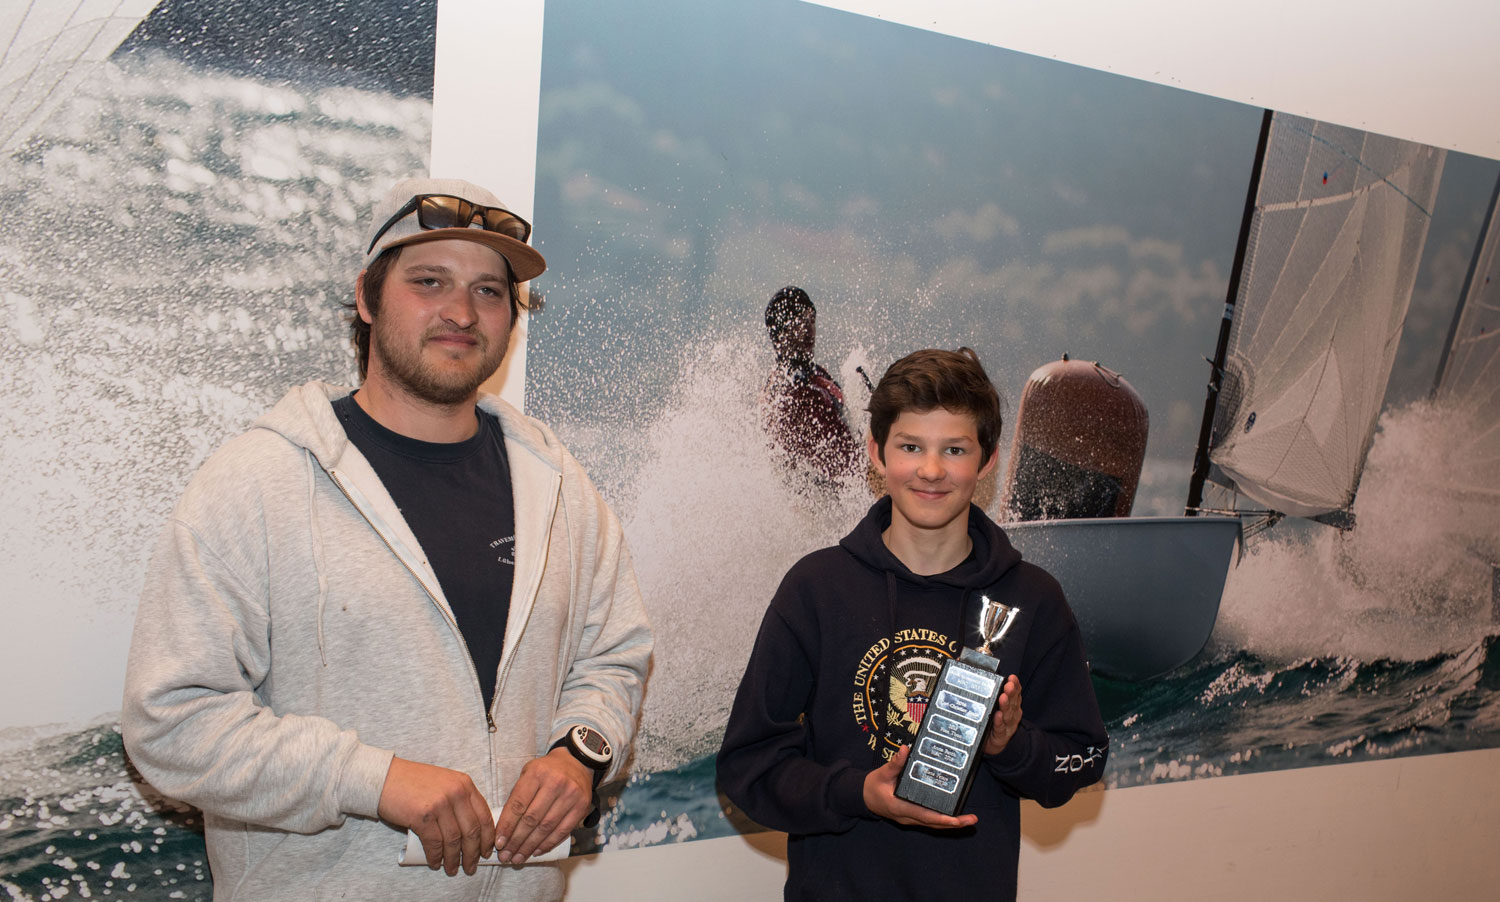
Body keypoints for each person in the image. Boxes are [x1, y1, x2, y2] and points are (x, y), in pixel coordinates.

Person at [122, 177, 653, 901]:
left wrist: (581, 750)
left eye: (489, 291)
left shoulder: (559, 483)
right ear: (367, 298)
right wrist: (375, 781)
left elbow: (613, 652)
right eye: (429, 281)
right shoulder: (258, 481)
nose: (461, 312)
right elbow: (169, 722)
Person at [718, 347, 1108, 901]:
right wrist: (857, 793)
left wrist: (1010, 746)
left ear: (988, 459)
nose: (930, 470)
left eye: (954, 449)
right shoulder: (815, 589)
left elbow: (1084, 760)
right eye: (910, 447)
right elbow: (747, 769)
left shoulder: (1032, 599)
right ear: (876, 452)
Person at [759, 286, 861, 487]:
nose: (808, 330)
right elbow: (846, 465)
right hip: (830, 492)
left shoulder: (815, 374)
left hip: (835, 486)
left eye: (811, 320)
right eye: (798, 322)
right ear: (779, 333)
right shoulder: (797, 393)